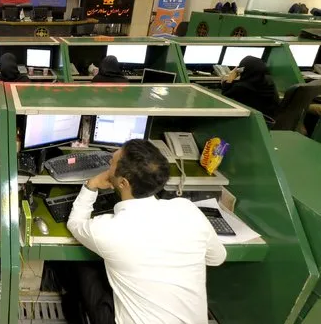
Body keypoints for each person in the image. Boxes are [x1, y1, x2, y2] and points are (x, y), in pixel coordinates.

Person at [67, 139, 226, 324]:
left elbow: (76, 223)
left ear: (123, 183)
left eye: (112, 161)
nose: (109, 162)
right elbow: (217, 257)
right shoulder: (187, 210)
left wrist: (91, 185)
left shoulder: (108, 230)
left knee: (83, 266)